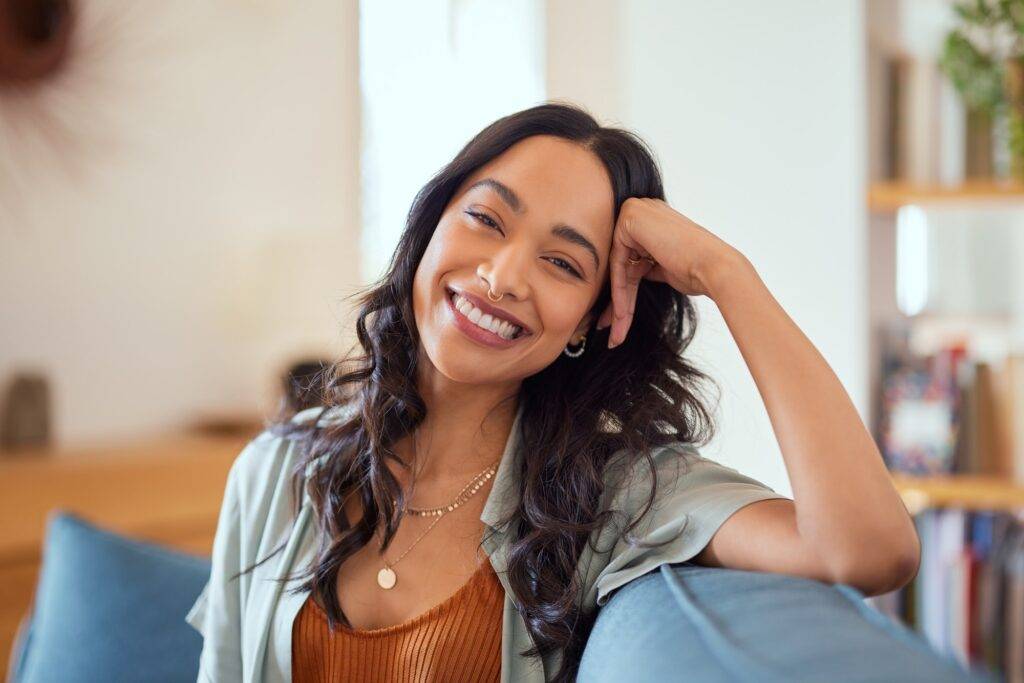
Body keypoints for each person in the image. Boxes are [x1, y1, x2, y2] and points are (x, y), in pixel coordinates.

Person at [185, 102, 920, 683]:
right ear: (430, 224)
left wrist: (726, 273)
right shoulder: (274, 470)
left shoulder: (613, 494)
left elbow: (866, 550)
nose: (503, 276)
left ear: (591, 319)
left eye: (563, 264)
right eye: (485, 219)